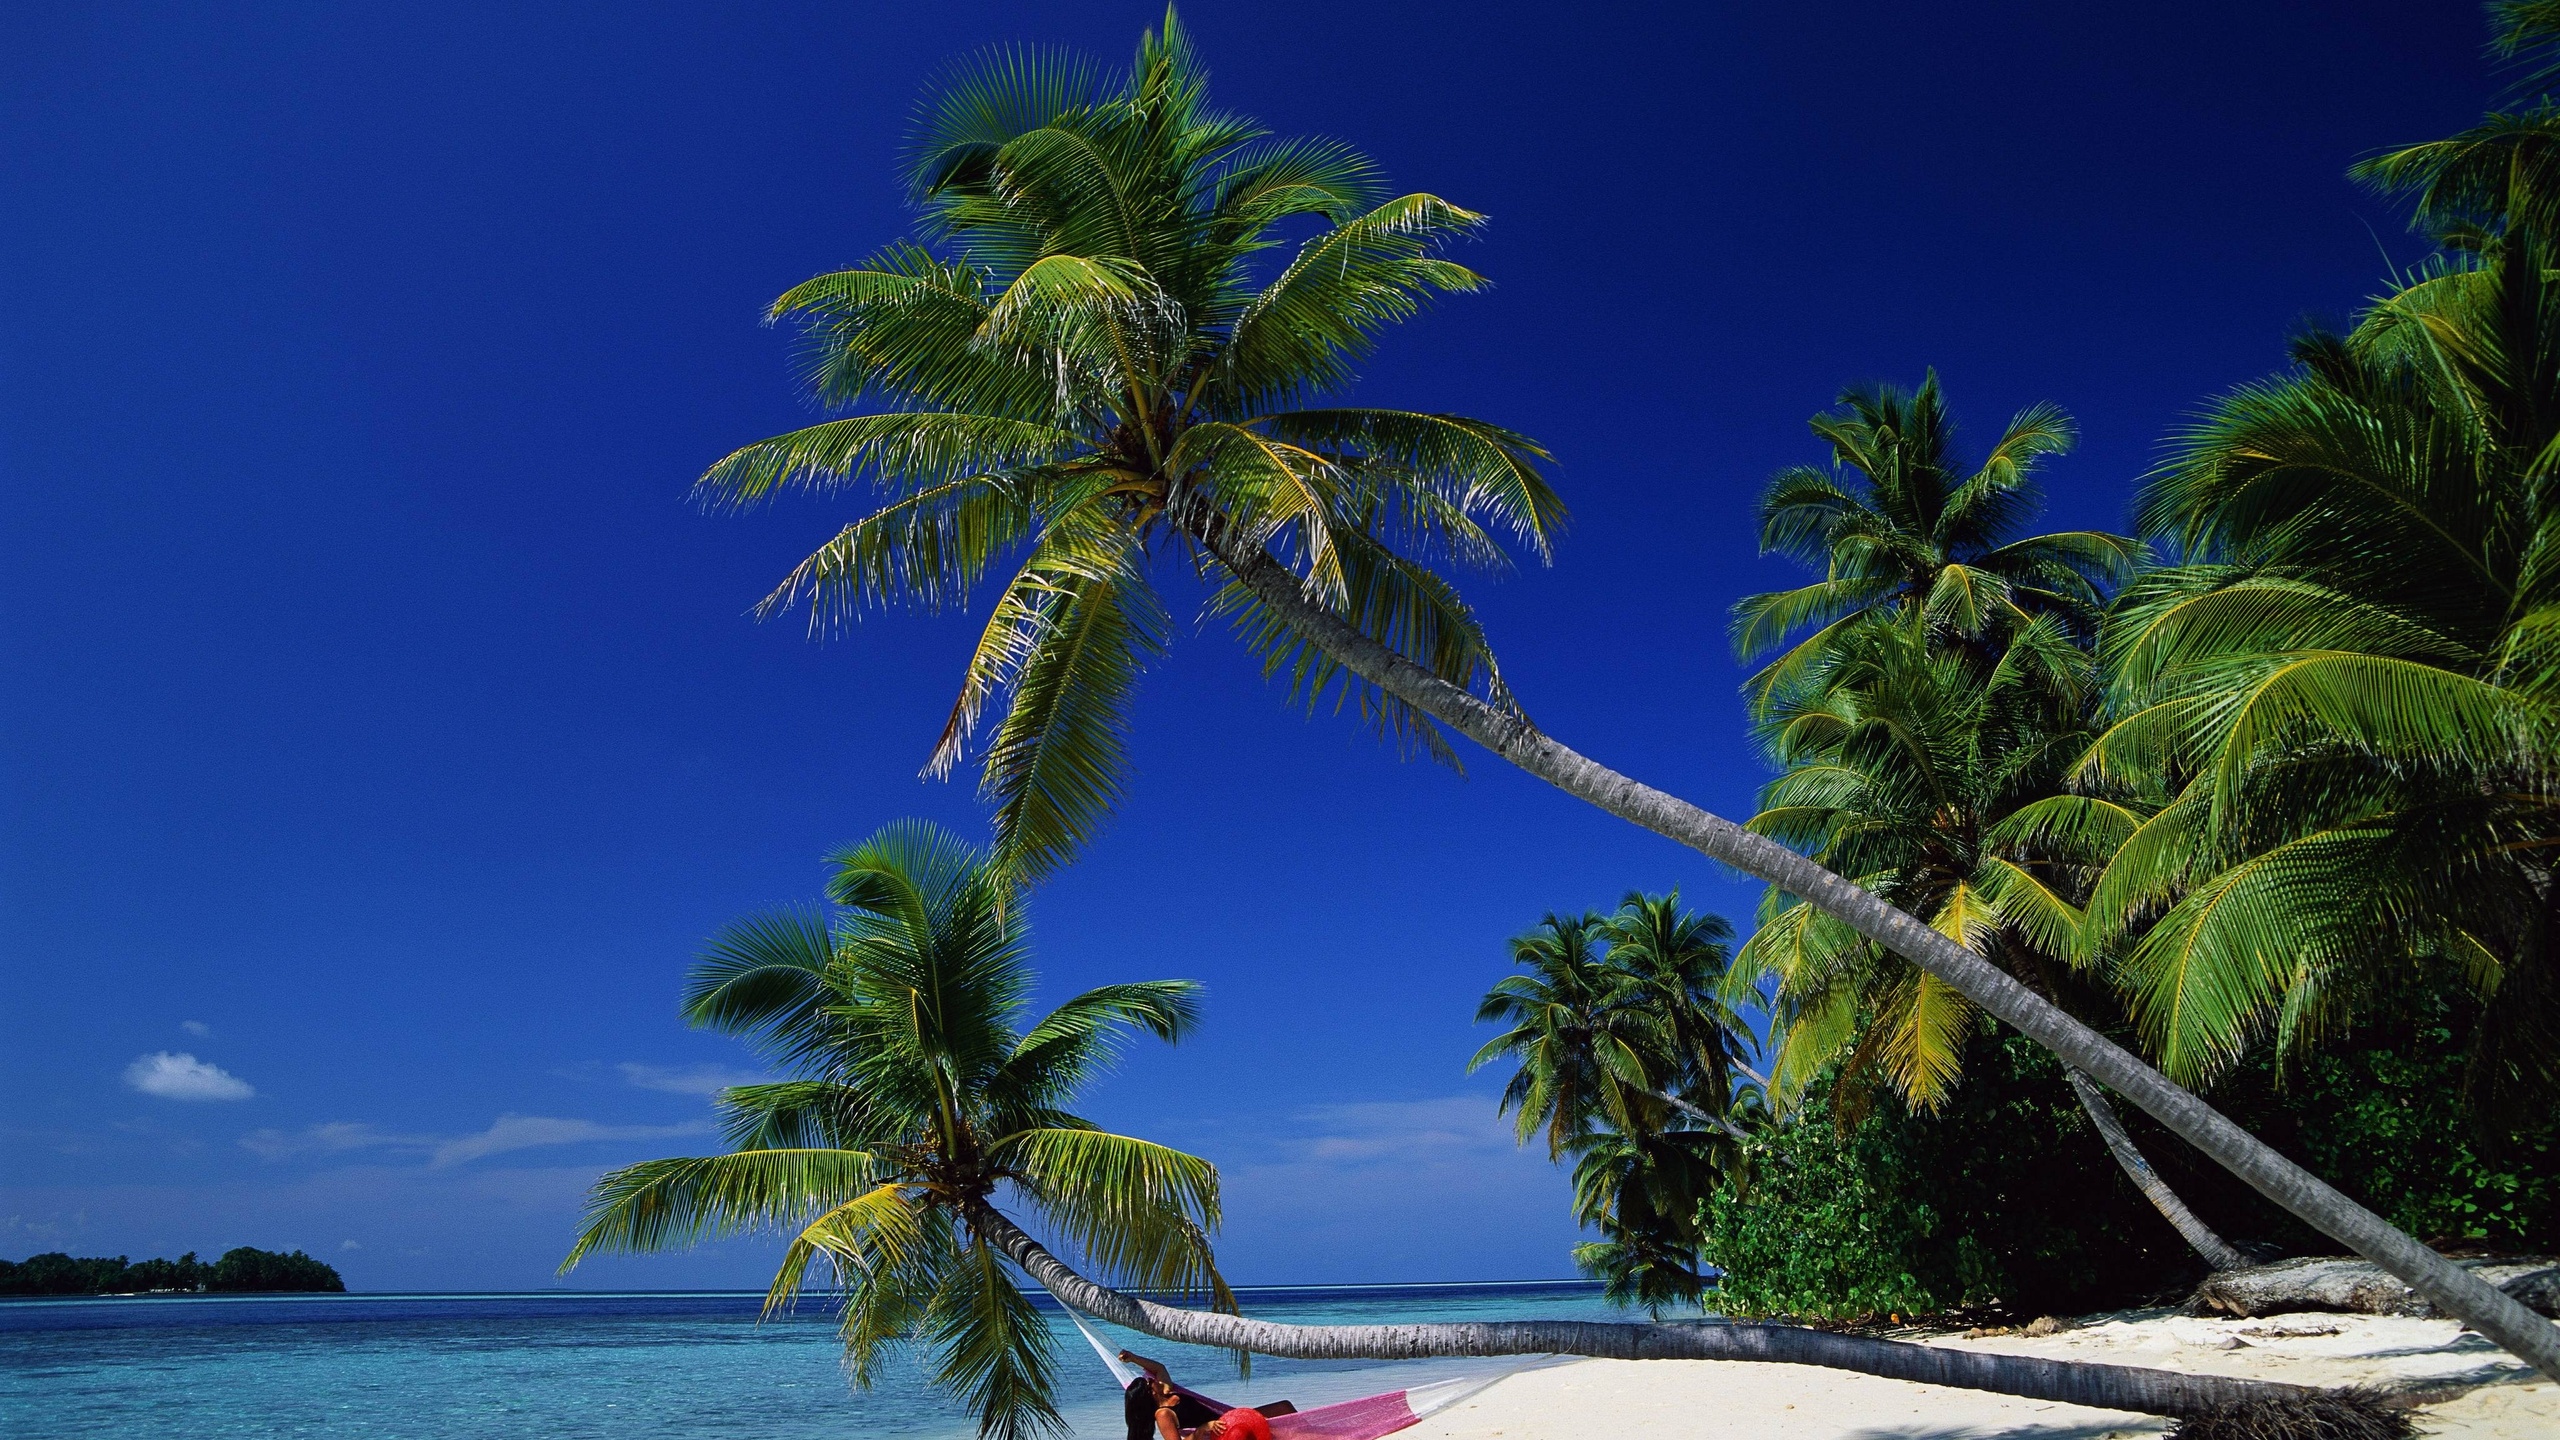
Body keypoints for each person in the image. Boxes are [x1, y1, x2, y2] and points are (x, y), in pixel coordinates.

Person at [1117, 1350, 1289, 1440]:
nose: (1152, 1378)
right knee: (1281, 1416)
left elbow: (1159, 1368)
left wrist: (1133, 1358)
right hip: (1223, 1433)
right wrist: (1203, 1429)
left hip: (1231, 1419)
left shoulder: (1168, 1391)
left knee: (1284, 1408)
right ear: (1151, 1392)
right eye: (1150, 1381)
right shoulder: (1163, 1414)